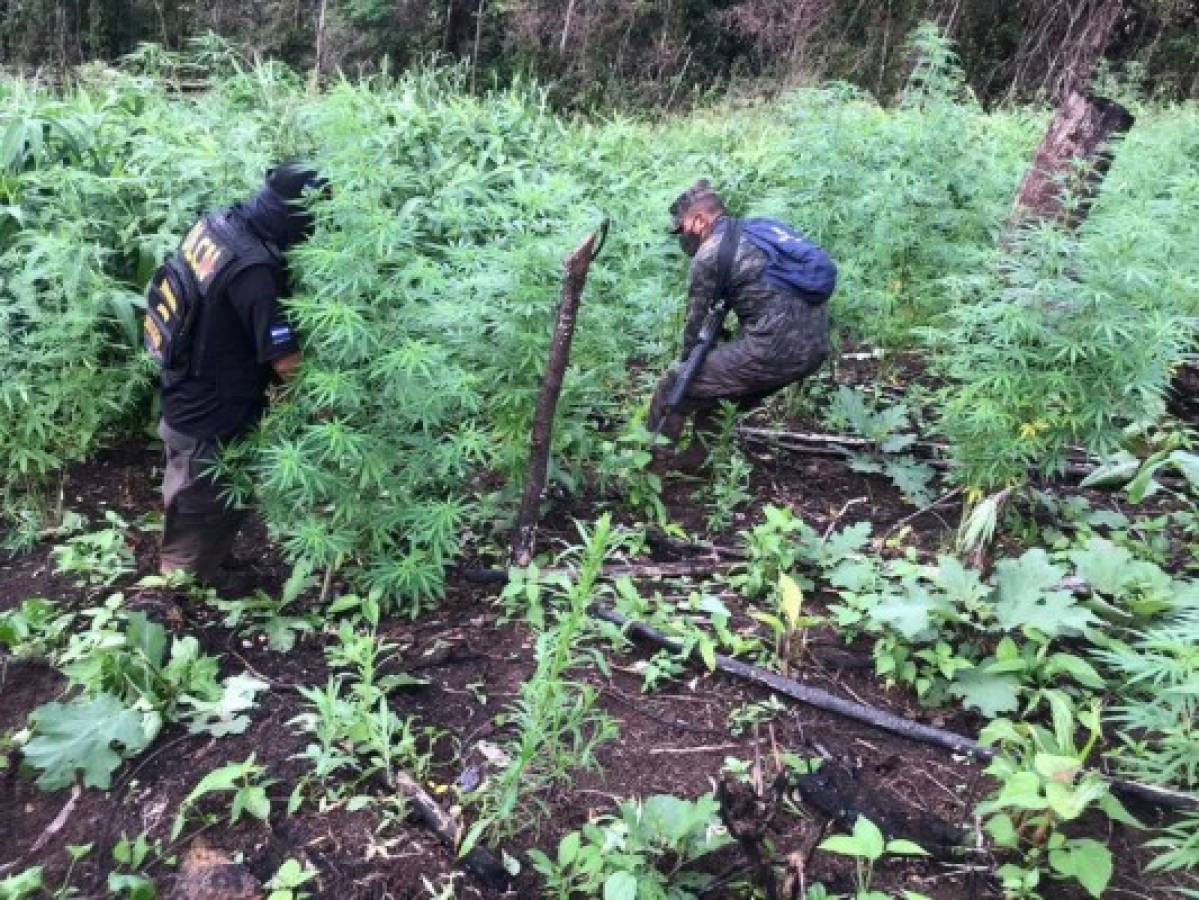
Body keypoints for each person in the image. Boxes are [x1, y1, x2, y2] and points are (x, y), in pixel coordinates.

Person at [145, 163, 327, 587]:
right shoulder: (254, 271)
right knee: (199, 499)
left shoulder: (218, 224)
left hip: (188, 380)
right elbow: (285, 362)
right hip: (211, 407)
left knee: (217, 491)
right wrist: (326, 410)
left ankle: (210, 566)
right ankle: (177, 594)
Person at [647, 180, 834, 465]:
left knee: (674, 385)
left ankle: (648, 470)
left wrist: (687, 374)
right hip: (815, 348)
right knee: (720, 388)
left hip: (772, 351)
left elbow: (696, 328)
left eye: (682, 229)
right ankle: (695, 462)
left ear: (699, 220)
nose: (683, 237)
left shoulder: (710, 253)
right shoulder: (761, 231)